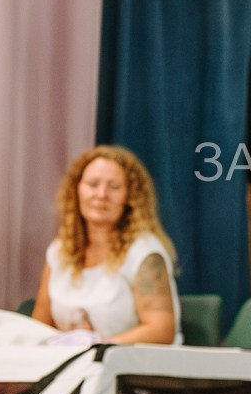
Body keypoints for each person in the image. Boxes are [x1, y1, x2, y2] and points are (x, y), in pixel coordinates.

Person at [32, 145, 181, 346]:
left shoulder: (145, 252)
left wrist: (96, 347)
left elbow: (161, 330)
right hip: (71, 366)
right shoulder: (59, 252)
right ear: (76, 190)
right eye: (93, 184)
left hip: (127, 368)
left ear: (130, 197)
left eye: (114, 187)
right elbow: (40, 327)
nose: (102, 194)